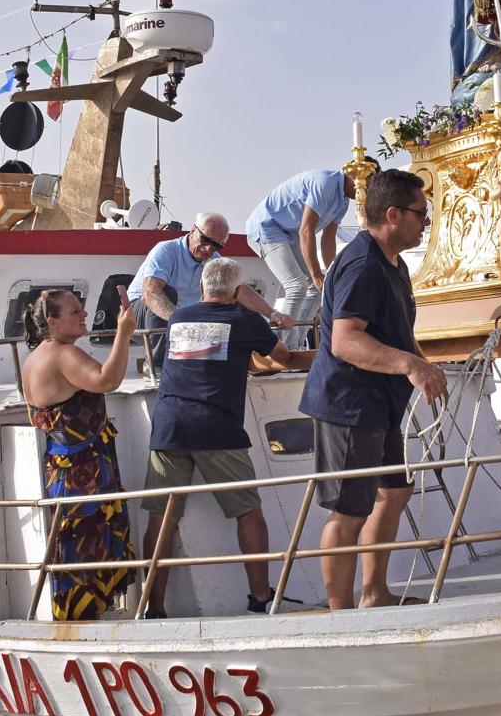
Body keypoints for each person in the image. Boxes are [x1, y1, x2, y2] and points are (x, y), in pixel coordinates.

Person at [299, 169, 447, 610]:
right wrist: (410, 366)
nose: (427, 222)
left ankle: (374, 592)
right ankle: (340, 613)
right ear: (393, 214)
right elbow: (346, 340)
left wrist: (420, 360)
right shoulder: (363, 265)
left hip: (377, 405)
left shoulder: (392, 263)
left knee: (395, 491)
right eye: (422, 214)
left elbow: (395, 329)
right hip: (349, 405)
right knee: (348, 511)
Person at [141, 258, 303, 618]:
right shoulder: (245, 320)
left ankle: (153, 608)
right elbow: (283, 356)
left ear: (201, 288)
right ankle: (260, 598)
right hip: (216, 427)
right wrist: (271, 321)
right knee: (248, 512)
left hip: (168, 425)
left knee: (161, 520)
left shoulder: (179, 318)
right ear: (236, 292)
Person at [20, 288, 137, 621]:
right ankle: (80, 618)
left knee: (74, 539)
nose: (84, 314)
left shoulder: (37, 356)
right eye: (75, 311)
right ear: (53, 322)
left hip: (63, 464)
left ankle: (79, 615)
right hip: (82, 469)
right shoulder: (61, 354)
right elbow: (107, 380)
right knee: (84, 539)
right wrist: (124, 334)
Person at [132, 212, 290, 370]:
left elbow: (240, 290)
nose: (208, 249)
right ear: (193, 230)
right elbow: (150, 294)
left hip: (179, 321)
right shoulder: (166, 251)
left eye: (216, 245)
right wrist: (182, 322)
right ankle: (155, 365)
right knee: (167, 292)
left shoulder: (213, 259)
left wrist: (272, 313)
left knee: (227, 298)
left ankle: (229, 361)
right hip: (136, 318)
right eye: (205, 239)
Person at [246, 168, 367, 350]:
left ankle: (296, 345)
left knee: (317, 288)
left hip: (290, 235)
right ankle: (281, 349)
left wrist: (330, 274)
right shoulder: (325, 183)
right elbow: (306, 230)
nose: (366, 191)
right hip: (267, 229)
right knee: (297, 285)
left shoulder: (343, 202)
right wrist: (317, 274)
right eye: (366, 184)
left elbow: (328, 239)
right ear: (353, 175)